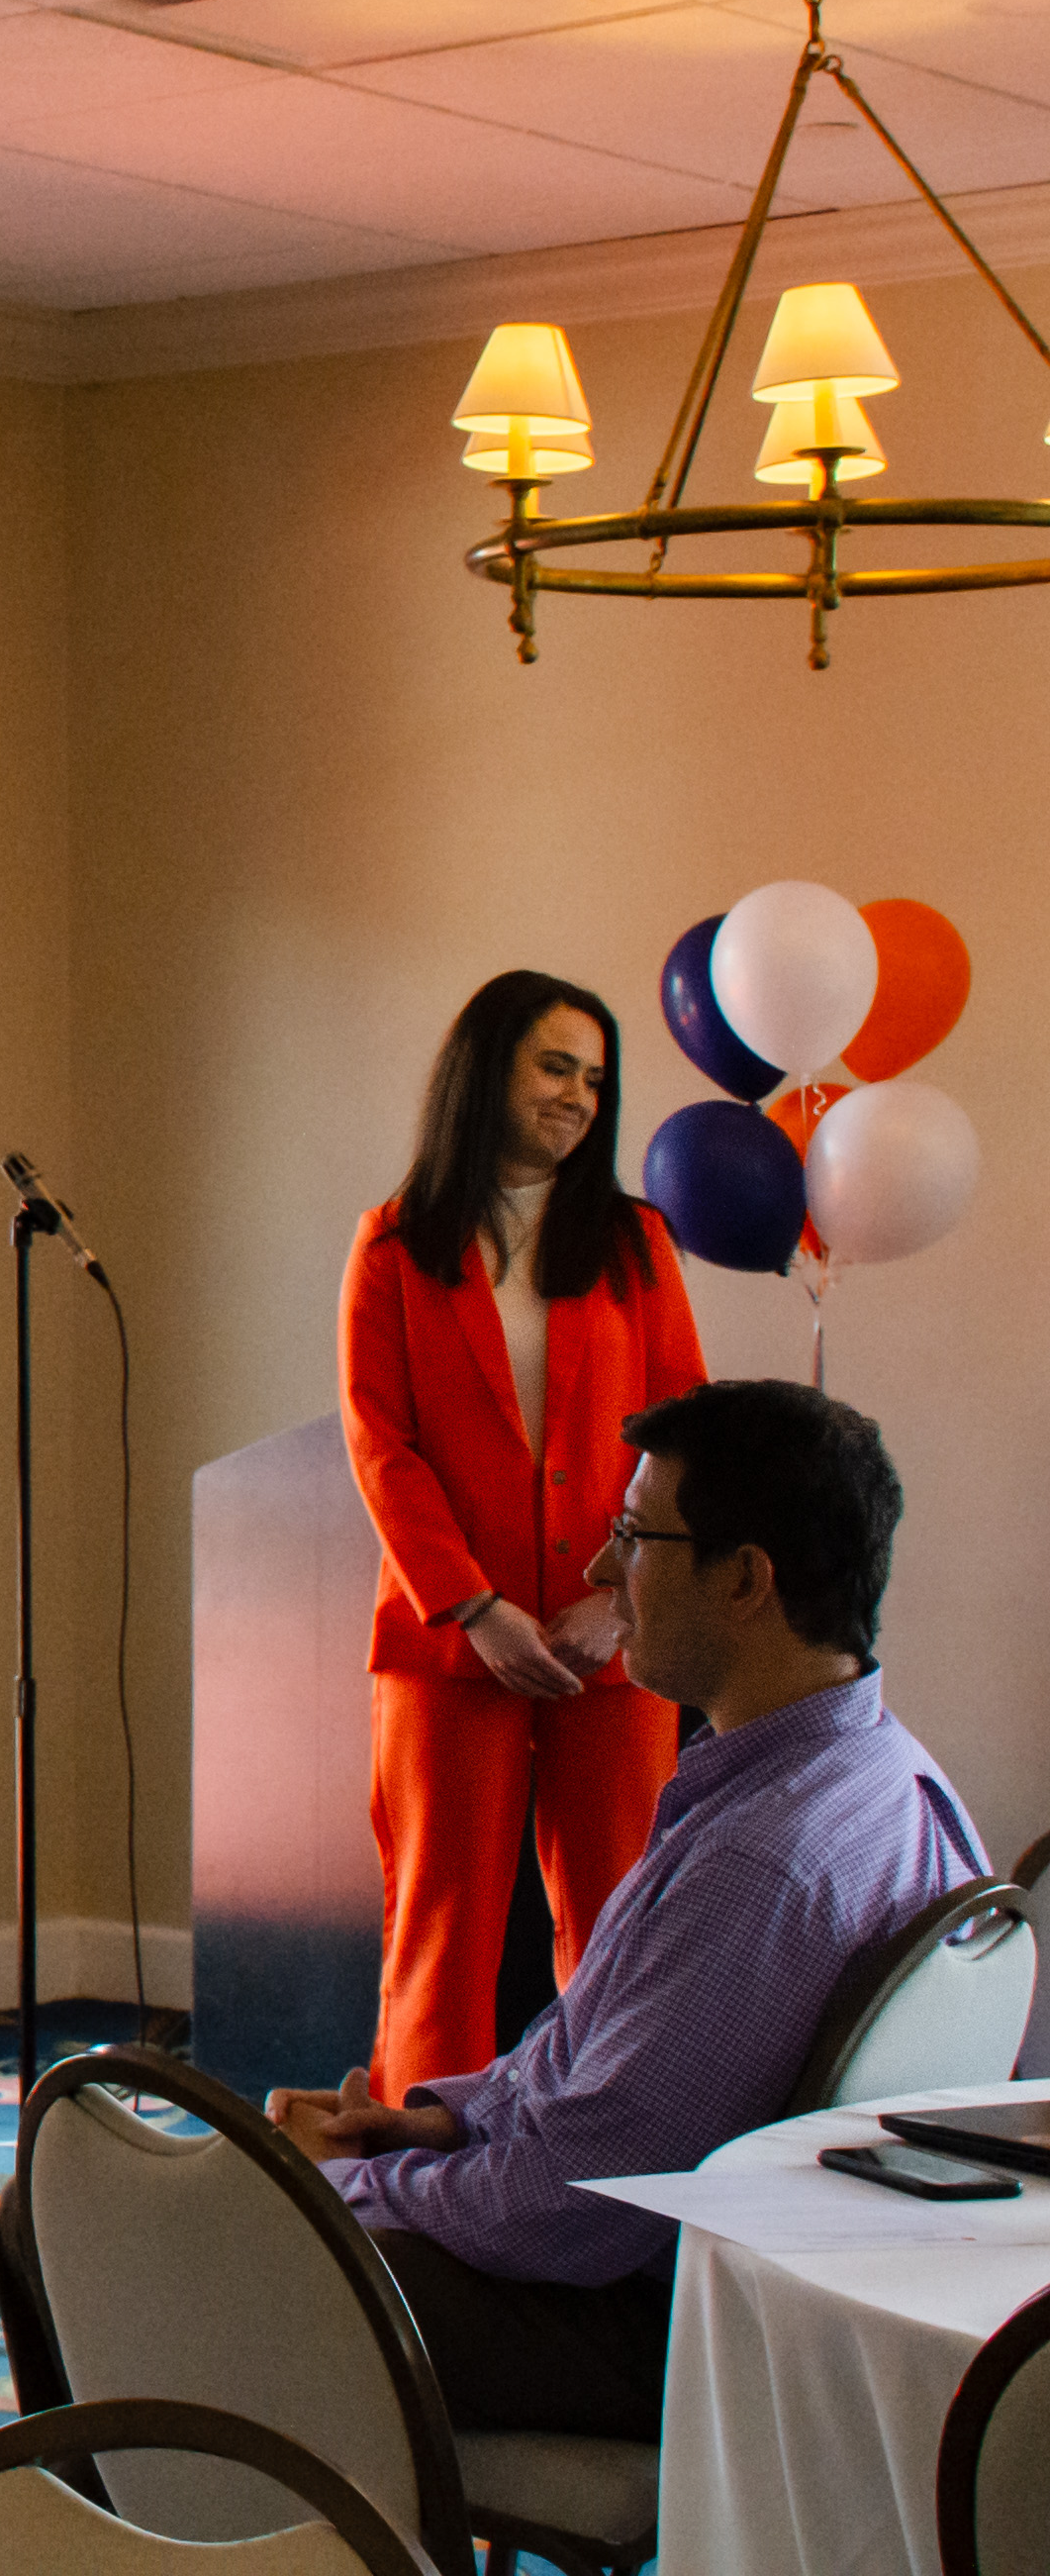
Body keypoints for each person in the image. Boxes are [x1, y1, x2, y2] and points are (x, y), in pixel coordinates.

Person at [273, 1380, 985, 2442]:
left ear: (745, 1578)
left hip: (646, 2322)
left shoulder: (761, 1861)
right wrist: (446, 2118)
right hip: (671, 2277)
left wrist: (363, 2185)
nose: (603, 1571)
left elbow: (582, 2199)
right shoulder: (877, 1771)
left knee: (156, 2238)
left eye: (634, 1535)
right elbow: (589, 2059)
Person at [339, 971, 705, 2094]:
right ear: (487, 1067)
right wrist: (474, 1605)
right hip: (451, 1644)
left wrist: (626, 1599)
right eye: (556, 1065)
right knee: (438, 1931)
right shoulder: (396, 1244)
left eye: (596, 1078)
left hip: (611, 1644)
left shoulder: (636, 1242)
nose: (580, 1096)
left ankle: (600, 2170)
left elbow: (682, 1427)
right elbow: (381, 1442)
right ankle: (412, 2184)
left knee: (618, 1928)